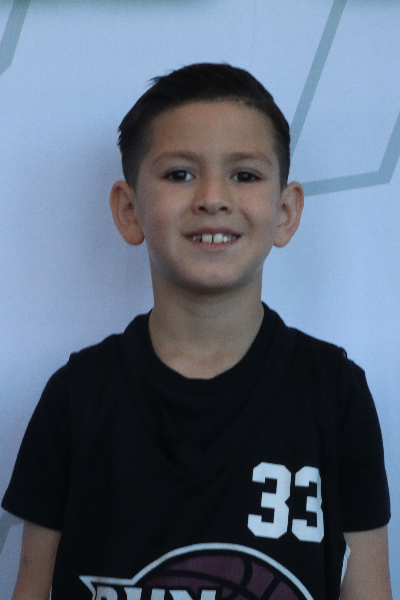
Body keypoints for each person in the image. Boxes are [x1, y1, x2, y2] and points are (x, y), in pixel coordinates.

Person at [2, 63, 392, 600]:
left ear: (285, 212)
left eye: (245, 175)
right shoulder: (76, 396)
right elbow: (31, 587)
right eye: (180, 174)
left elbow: (369, 587)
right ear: (129, 209)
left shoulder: (335, 393)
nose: (213, 197)